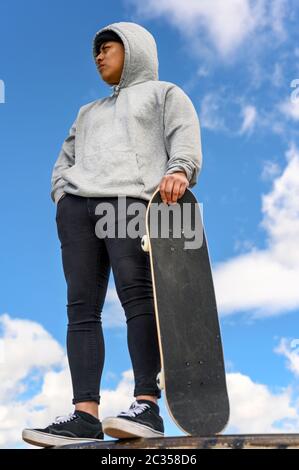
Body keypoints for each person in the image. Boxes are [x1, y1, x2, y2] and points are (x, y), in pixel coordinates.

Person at [22, 21, 202, 447]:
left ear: (134, 49)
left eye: (108, 47)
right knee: (80, 309)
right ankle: (85, 415)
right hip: (78, 209)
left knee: (138, 297)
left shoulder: (164, 94)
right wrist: (61, 195)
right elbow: (64, 157)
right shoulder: (88, 111)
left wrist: (179, 169)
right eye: (96, 52)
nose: (99, 56)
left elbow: (184, 135)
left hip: (128, 201)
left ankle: (146, 405)